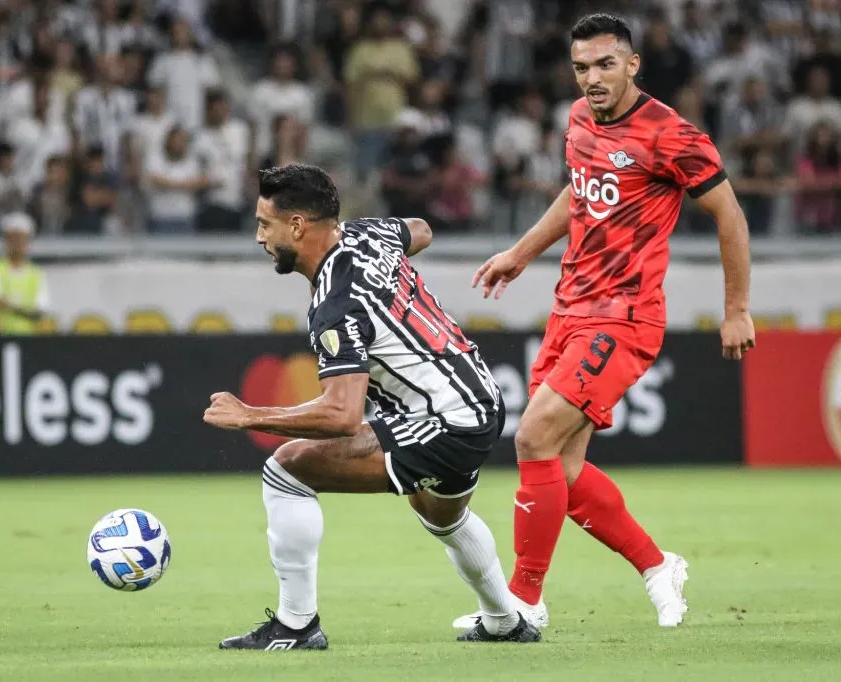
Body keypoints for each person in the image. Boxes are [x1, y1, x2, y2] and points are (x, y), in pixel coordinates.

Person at [454, 13, 756, 631]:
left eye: (605, 65)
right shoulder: (579, 119)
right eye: (581, 67)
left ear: (632, 63)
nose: (592, 78)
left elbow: (730, 216)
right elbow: (579, 190)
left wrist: (736, 309)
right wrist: (520, 252)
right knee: (559, 469)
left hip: (624, 317)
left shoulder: (671, 135)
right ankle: (656, 564)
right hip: (570, 308)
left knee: (532, 436)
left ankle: (521, 602)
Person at [203, 163, 540, 650]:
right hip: (481, 401)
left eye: (265, 224)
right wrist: (390, 264)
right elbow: (421, 230)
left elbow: (342, 416)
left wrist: (251, 415)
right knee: (442, 515)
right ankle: (505, 622)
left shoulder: (337, 304)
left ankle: (296, 626)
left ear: (297, 225)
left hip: (443, 421)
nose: (259, 237)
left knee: (286, 471)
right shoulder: (366, 234)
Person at [0, 212, 51, 335]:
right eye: (13, 239)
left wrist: (8, 306)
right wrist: (25, 311)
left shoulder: (36, 274)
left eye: (22, 239)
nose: (17, 244)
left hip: (30, 339)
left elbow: (41, 311)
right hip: (1, 337)